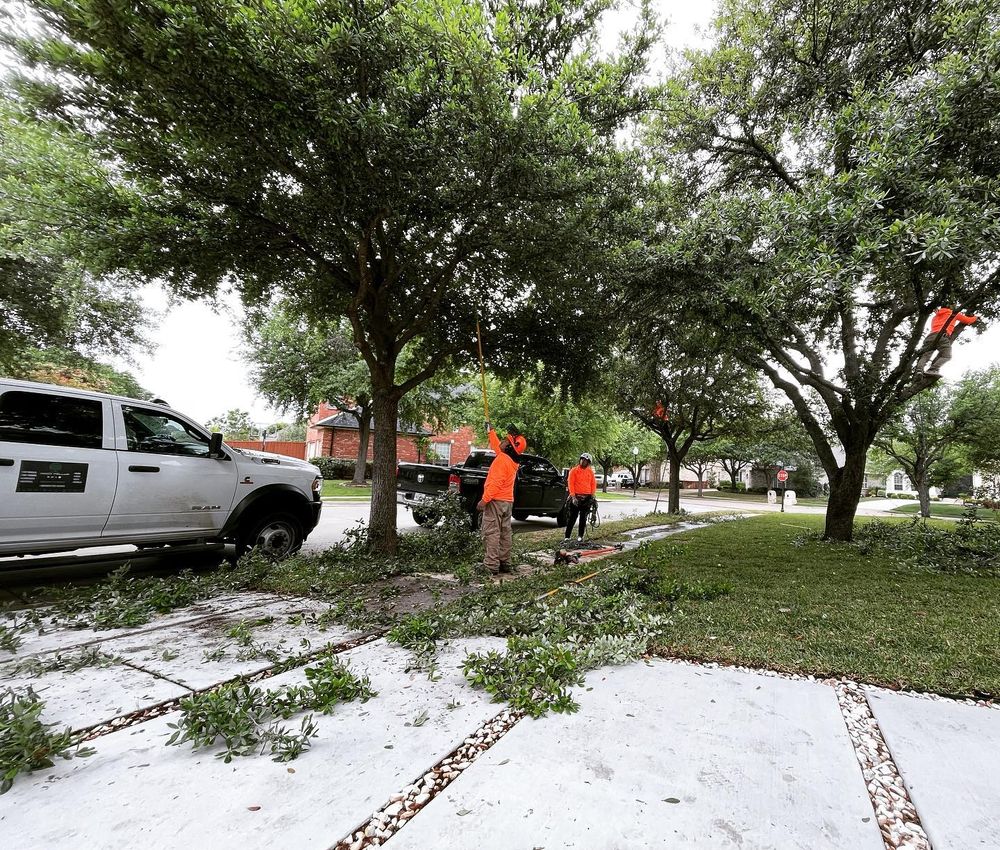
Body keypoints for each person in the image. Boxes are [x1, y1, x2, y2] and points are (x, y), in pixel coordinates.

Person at [477, 422, 527, 575]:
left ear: (510, 447)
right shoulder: (509, 460)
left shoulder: (501, 460)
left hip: (495, 501)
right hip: (507, 502)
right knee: (505, 533)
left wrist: (484, 500)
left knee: (491, 533)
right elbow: (496, 445)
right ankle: (505, 562)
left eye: (506, 441)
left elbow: (495, 483)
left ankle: (491, 565)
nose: (503, 442)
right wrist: (490, 431)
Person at [917, 306, 978, 376]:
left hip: (930, 336)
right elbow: (968, 320)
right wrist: (975, 318)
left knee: (926, 355)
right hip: (942, 336)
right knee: (947, 356)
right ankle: (933, 370)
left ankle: (919, 370)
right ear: (950, 307)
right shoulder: (953, 313)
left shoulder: (935, 317)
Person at [564, 452, 597, 546]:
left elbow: (593, 484)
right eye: (582, 459)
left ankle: (580, 536)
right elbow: (570, 483)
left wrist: (592, 494)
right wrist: (573, 496)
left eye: (585, 460)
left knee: (583, 518)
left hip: (587, 498)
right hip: (576, 497)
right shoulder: (574, 471)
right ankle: (567, 536)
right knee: (572, 518)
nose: (583, 461)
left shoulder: (590, 472)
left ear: (588, 462)